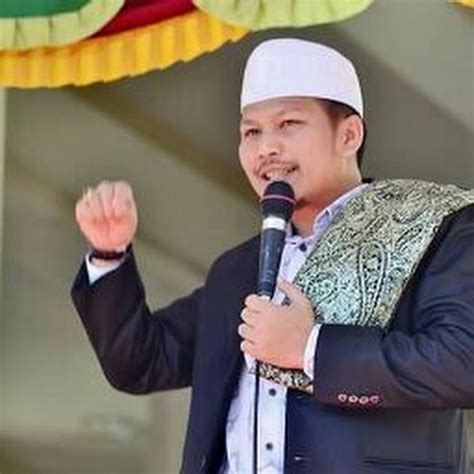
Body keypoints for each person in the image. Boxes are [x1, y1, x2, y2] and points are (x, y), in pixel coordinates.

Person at [71, 38, 474, 473]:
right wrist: (109, 254)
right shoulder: (237, 268)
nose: (266, 148)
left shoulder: (432, 228)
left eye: (288, 124)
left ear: (349, 135)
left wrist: (310, 349)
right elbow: (143, 363)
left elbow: (463, 362)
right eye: (251, 132)